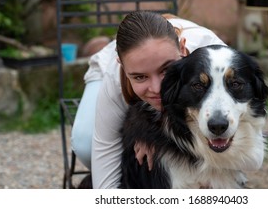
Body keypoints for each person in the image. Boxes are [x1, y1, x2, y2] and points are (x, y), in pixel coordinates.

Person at [71, 11, 226, 188]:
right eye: (140, 77)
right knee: (85, 144)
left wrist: (156, 138)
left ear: (183, 50)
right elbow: (105, 184)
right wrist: (140, 133)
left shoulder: (218, 58)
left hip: (163, 40)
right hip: (106, 69)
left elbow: (253, 160)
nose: (158, 88)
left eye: (166, 69)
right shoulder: (114, 74)